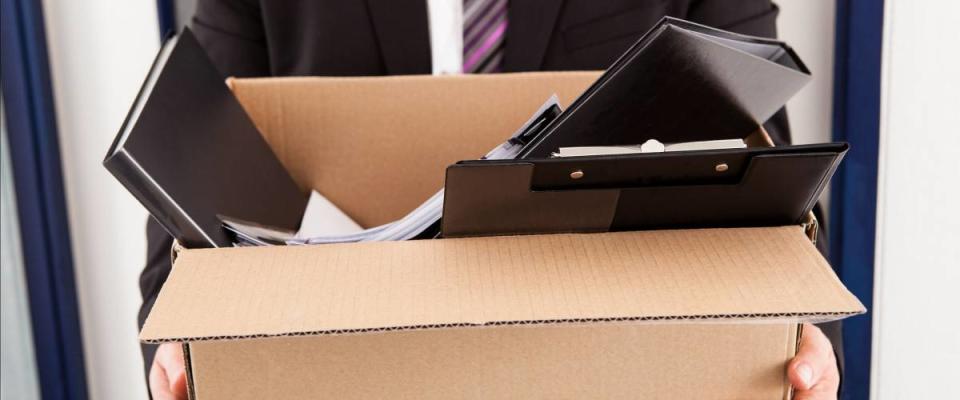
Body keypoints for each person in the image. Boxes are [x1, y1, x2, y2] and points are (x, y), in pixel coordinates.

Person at [142, 1, 842, 399]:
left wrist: (802, 332)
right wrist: (176, 333)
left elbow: (756, 139)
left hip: (607, 357)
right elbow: (199, 135)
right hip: (347, 363)